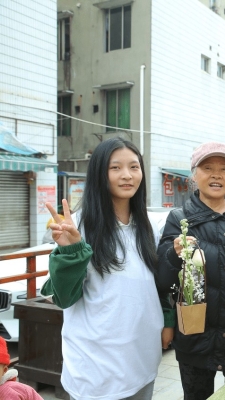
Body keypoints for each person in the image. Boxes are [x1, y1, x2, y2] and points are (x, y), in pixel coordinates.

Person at [40, 137, 164, 400]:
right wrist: (70, 251)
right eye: (115, 167)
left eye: (134, 166)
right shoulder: (79, 226)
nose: (127, 175)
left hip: (142, 361)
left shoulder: (148, 225)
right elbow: (62, 296)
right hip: (95, 368)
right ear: (99, 173)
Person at [156, 142, 225, 400]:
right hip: (194, 337)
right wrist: (173, 254)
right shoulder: (178, 219)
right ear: (194, 175)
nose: (216, 175)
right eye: (207, 168)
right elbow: (164, 278)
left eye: (224, 169)